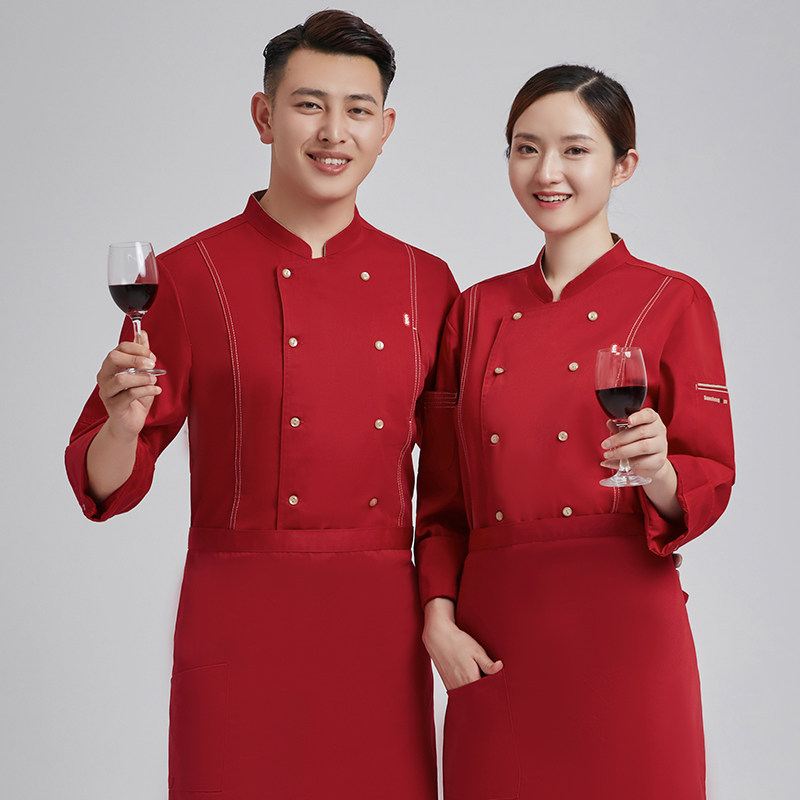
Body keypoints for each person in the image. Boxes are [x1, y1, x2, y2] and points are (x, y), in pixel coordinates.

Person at [66, 10, 458, 799]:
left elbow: (452, 491)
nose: (333, 132)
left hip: (377, 625)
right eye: (309, 104)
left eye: (357, 110)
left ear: (385, 129)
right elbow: (106, 483)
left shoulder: (428, 282)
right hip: (237, 619)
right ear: (264, 115)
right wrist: (123, 424)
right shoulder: (188, 274)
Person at [415, 64, 735, 800]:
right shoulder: (473, 312)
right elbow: (442, 503)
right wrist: (439, 621)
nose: (546, 172)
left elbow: (709, 477)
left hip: (625, 629)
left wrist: (659, 471)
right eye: (525, 149)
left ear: (623, 165)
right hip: (497, 640)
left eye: (575, 150)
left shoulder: (674, 300)